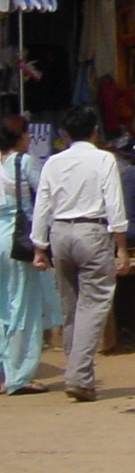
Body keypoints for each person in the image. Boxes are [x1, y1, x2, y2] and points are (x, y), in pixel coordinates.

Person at [28, 108, 130, 402]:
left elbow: (42, 205)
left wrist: (39, 246)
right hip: (92, 232)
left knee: (71, 307)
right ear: (95, 131)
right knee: (94, 305)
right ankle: (79, 377)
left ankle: (77, 373)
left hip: (60, 233)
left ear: (66, 135)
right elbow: (114, 204)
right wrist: (121, 246)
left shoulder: (53, 162)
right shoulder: (103, 159)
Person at [1, 121, 59, 394]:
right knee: (24, 306)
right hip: (19, 239)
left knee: (3, 307)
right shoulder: (24, 162)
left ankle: (4, 373)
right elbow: (45, 198)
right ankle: (19, 376)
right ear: (20, 136)